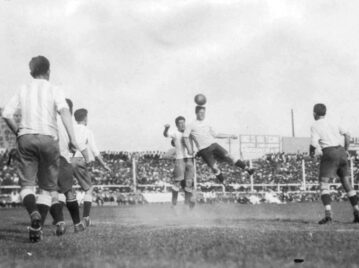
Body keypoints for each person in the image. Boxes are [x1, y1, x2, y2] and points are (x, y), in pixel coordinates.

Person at [2, 55, 79, 242]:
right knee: (46, 189)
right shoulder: (55, 89)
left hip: (26, 138)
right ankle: (37, 227)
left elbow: (6, 114)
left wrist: (18, 131)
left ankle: (34, 215)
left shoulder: (23, 88)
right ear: (49, 71)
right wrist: (72, 138)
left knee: (27, 186)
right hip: (48, 139)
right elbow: (64, 112)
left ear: (31, 72)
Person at [310, 103, 359, 224]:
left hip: (329, 153)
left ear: (315, 113)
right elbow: (347, 134)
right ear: (325, 113)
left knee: (323, 184)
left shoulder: (315, 125)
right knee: (347, 183)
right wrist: (346, 149)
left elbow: (313, 144)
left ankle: (328, 215)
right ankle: (357, 211)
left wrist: (311, 153)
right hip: (341, 151)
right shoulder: (333, 122)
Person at [183, 106, 254, 184]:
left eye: (204, 113)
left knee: (229, 156)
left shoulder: (207, 123)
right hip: (204, 150)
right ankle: (224, 183)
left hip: (213, 145)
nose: (202, 114)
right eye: (200, 112)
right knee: (214, 168)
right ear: (196, 113)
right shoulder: (191, 125)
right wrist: (190, 149)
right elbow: (185, 137)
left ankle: (248, 169)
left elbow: (216, 134)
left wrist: (230, 136)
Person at [49, 99, 86, 234]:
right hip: (64, 159)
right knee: (69, 192)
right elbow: (74, 145)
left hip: (49, 159)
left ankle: (60, 222)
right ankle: (77, 224)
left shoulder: (50, 119)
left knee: (51, 193)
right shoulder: (69, 123)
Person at [72, 108, 111, 227]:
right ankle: (86, 217)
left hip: (65, 160)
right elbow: (94, 150)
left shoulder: (70, 128)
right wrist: (104, 165)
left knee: (65, 190)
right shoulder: (87, 131)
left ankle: (58, 221)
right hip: (79, 160)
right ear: (85, 118)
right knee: (88, 189)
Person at [163, 116, 195, 208]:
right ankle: (174, 204)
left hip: (190, 160)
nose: (182, 124)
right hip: (180, 160)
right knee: (177, 182)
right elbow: (166, 135)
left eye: (183, 122)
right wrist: (166, 128)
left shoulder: (189, 132)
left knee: (189, 183)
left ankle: (186, 206)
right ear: (177, 125)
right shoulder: (175, 133)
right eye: (180, 123)